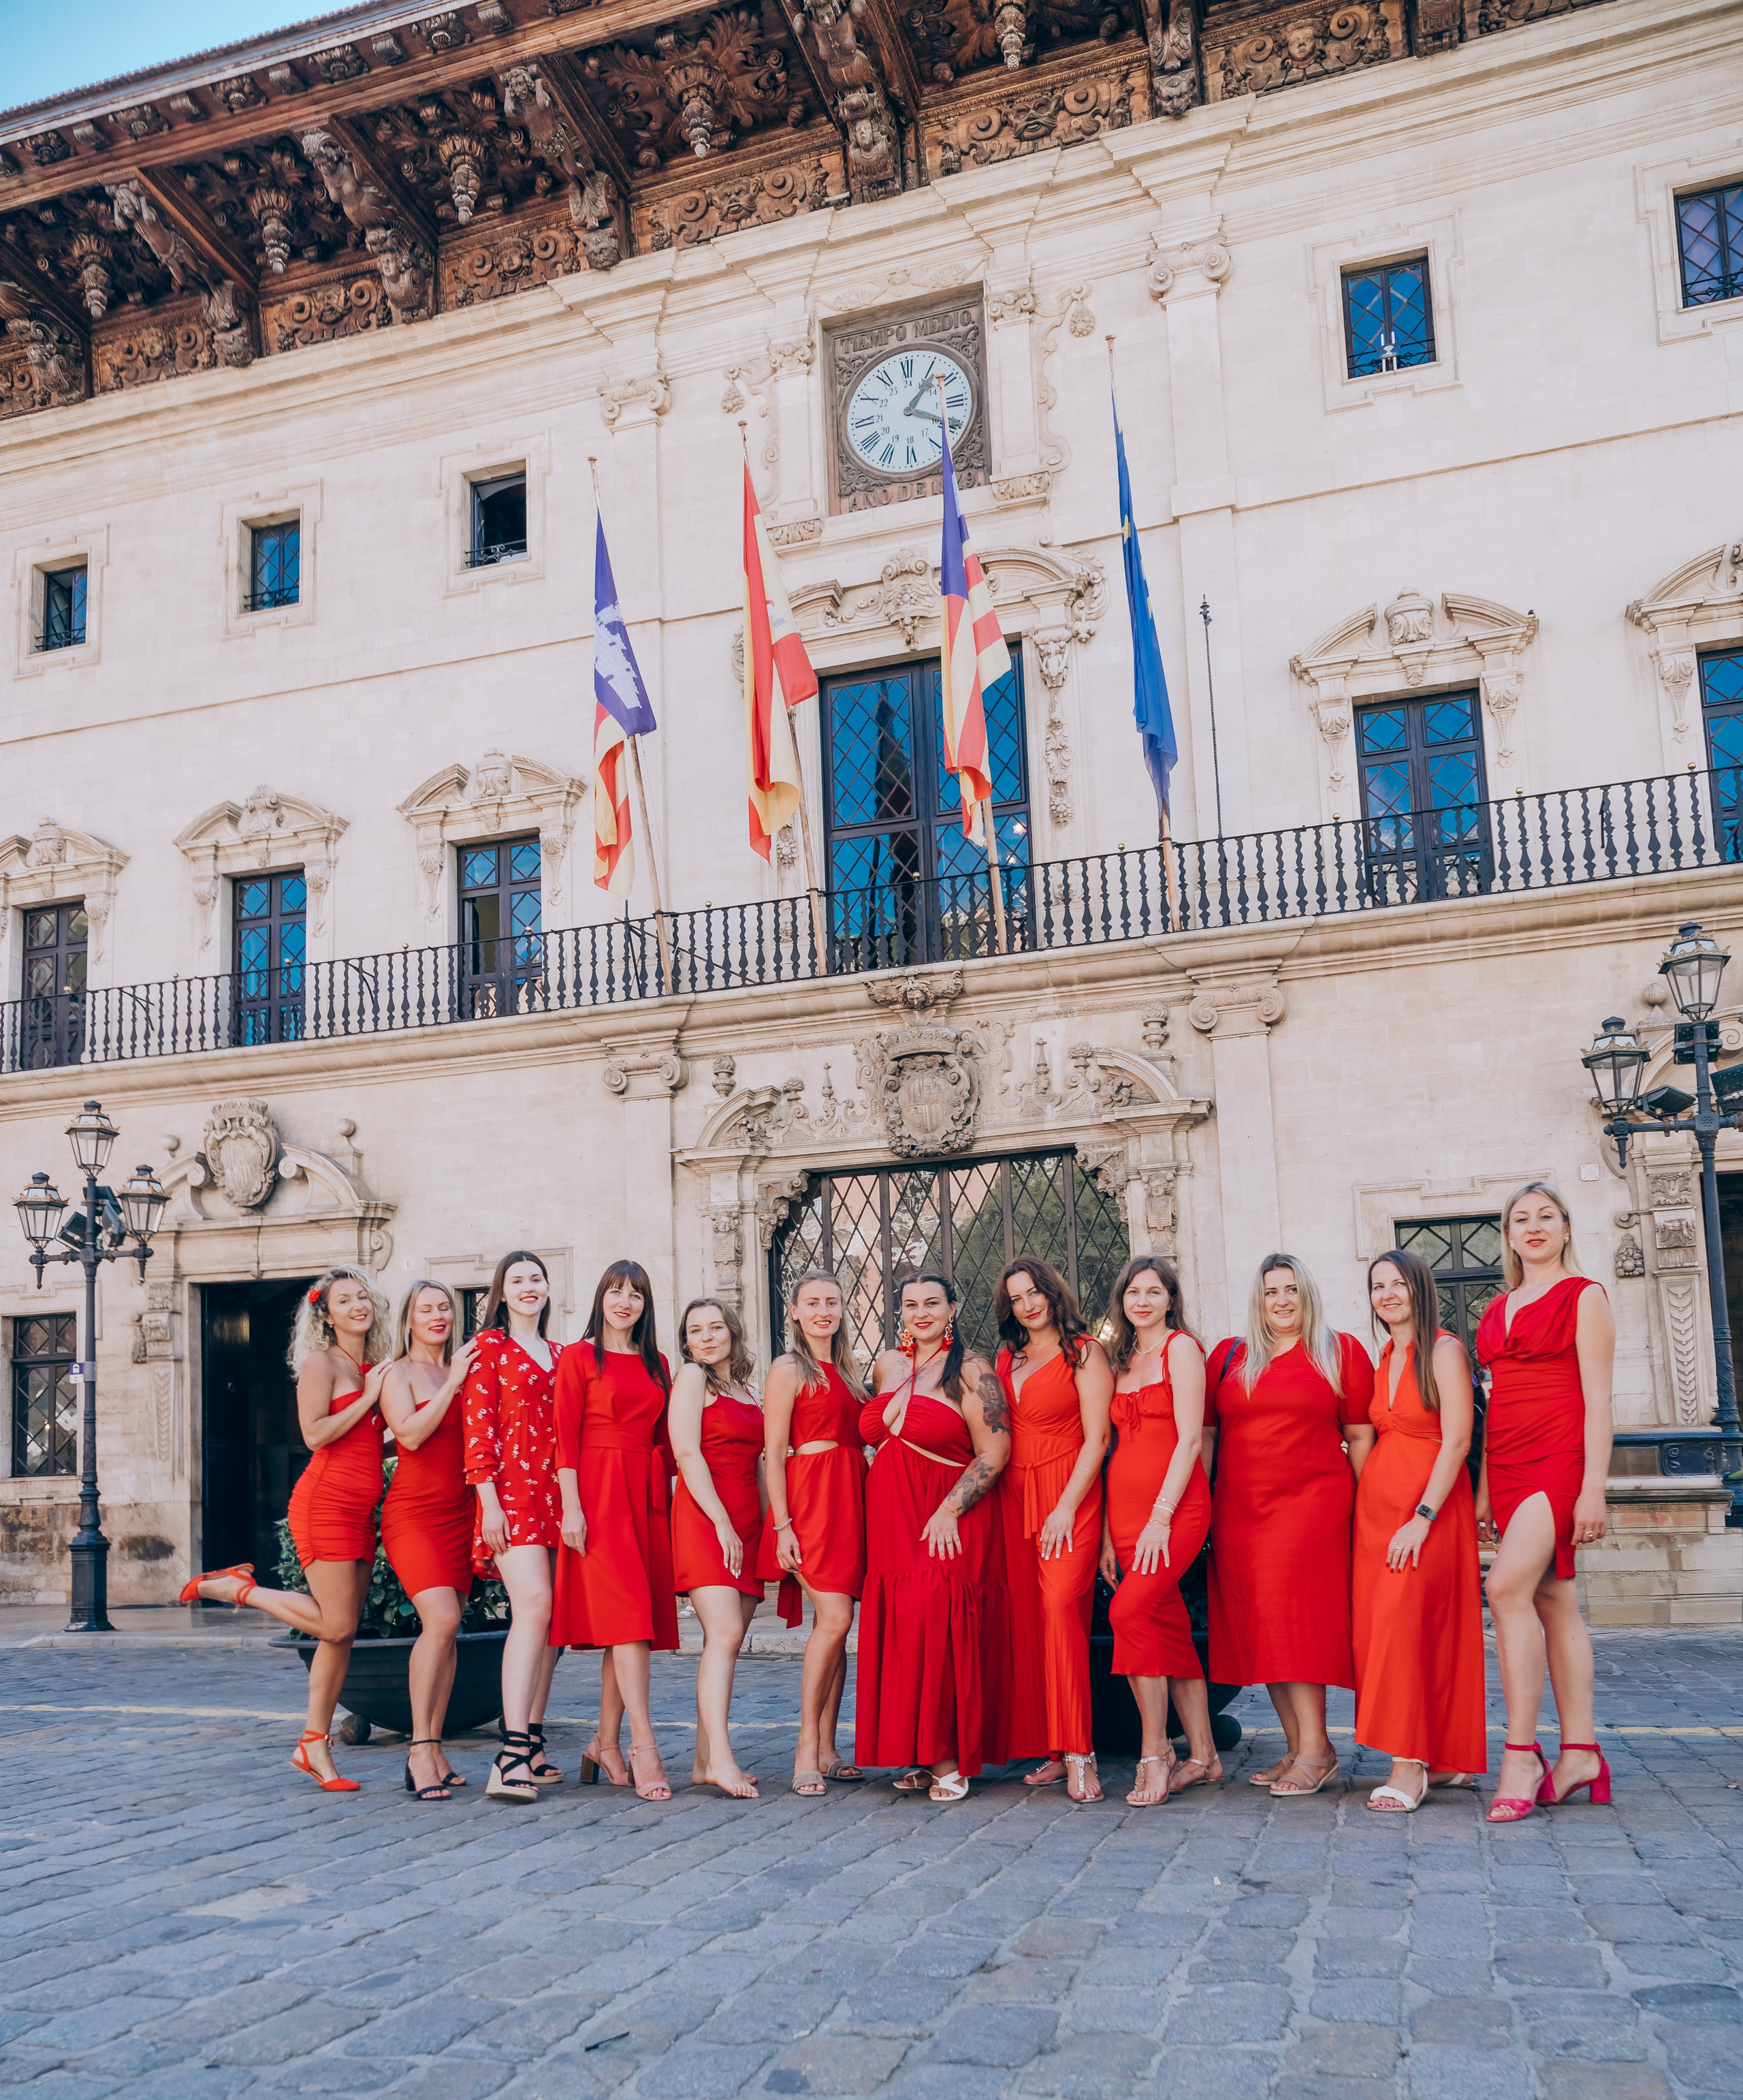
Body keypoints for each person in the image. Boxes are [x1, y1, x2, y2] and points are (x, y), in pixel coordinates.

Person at [180, 1265, 391, 1792]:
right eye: (345, 1300)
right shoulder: (323, 1364)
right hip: (326, 1503)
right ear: (326, 1313)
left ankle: (313, 1744)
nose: (359, 1306)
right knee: (337, 1626)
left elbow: (372, 1442)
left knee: (339, 1639)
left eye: (363, 1297)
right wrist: (369, 1399)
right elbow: (316, 1434)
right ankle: (237, 1588)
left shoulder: (370, 1366)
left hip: (362, 1509)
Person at [1207, 1253, 1375, 1798]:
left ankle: (1317, 1749)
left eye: (1291, 1290)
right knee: (1267, 1628)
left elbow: (1362, 1436)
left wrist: (1372, 1510)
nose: (1281, 1301)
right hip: (1240, 1511)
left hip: (1309, 1508)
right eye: (1271, 1292)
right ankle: (1299, 1744)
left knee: (1297, 1625)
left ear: (1307, 1295)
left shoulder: (1340, 1351)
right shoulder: (1231, 1356)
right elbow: (1207, 1436)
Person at [1476, 1183, 1616, 1824]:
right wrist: (1483, 1485)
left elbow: (1600, 1399)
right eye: (1521, 1219)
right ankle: (1581, 1751)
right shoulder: (1496, 1309)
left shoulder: (1585, 1297)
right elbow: (1494, 1403)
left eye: (1546, 1217)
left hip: (1560, 1460)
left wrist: (1593, 1487)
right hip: (1506, 1463)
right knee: (1553, 1598)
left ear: (1565, 1228)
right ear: (1508, 1235)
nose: (1533, 1227)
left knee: (1505, 1589)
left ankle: (1522, 1752)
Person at [855, 1271, 1010, 1802]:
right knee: (905, 1629)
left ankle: (951, 1756)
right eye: (911, 1304)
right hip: (891, 1522)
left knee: (938, 1625)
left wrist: (949, 1509)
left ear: (952, 1307)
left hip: (945, 1518)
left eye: (933, 1303)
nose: (921, 1313)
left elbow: (995, 1452)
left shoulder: (971, 1370)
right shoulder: (888, 1366)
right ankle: (922, 1753)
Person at [1351, 1250, 1486, 1813]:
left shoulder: (1445, 1349)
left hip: (1425, 1513)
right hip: (1378, 1516)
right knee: (1390, 1630)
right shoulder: (1385, 1355)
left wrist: (1423, 1517)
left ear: (1420, 1288)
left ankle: (1409, 1765)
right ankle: (1445, 1755)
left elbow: (1457, 1439)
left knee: (1407, 1628)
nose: (1387, 1295)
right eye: (1377, 1286)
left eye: (1397, 1284)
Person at [552, 1260, 679, 1802]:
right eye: (616, 1291)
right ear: (600, 1297)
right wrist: (572, 1508)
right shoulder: (579, 1358)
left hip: (645, 1496)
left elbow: (668, 1443)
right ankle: (643, 1746)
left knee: (631, 1628)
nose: (626, 1301)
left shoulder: (659, 1364)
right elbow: (564, 1437)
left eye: (636, 1295)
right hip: (598, 1495)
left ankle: (603, 1743)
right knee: (628, 1621)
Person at [1098, 1255, 1217, 1807]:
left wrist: (1161, 1517)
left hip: (1173, 1511)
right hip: (1123, 1515)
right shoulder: (1120, 1359)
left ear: (1171, 1298)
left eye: (1153, 1292)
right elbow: (1111, 1448)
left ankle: (1156, 1751)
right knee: (1165, 1625)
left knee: (1127, 1613)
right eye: (1132, 1293)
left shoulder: (1182, 1349)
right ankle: (1206, 1755)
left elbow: (1191, 1440)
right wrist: (1104, 1533)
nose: (1142, 1301)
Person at [993, 1257, 1114, 1803]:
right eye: (1017, 1297)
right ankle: (1051, 1749)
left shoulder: (1085, 1352)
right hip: (1013, 1496)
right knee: (1029, 1624)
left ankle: (1081, 1753)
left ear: (1053, 1292)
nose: (1029, 1303)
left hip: (1069, 1494)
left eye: (1035, 1292)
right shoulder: (1006, 1358)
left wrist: (1067, 1506)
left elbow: (1099, 1439)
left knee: (1062, 1613)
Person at [759, 1268, 868, 1796]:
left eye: (833, 1301)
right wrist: (782, 1524)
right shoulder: (788, 1368)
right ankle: (806, 1746)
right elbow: (773, 1452)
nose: (824, 1310)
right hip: (810, 1502)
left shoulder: (848, 1371)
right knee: (835, 1616)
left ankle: (828, 1747)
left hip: (851, 1500)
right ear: (796, 1313)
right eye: (813, 1302)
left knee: (840, 1626)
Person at [464, 1250, 566, 1804]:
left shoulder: (561, 1353)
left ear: (549, 1289)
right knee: (533, 1607)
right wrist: (490, 1504)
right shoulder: (489, 1349)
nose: (529, 1287)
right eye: (518, 1280)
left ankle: (533, 1741)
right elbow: (477, 1431)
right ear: (501, 1294)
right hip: (510, 1495)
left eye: (537, 1278)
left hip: (558, 1497)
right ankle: (509, 1755)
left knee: (553, 1620)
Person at [379, 1281, 479, 1803]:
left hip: (462, 1514)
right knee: (439, 1620)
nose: (438, 1316)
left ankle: (436, 1746)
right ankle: (419, 1750)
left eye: (445, 1307)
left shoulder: (462, 1371)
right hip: (415, 1514)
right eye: (426, 1309)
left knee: (451, 1629)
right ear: (409, 1319)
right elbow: (411, 1435)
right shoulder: (397, 1373)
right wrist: (453, 1384)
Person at [669, 1296, 766, 1800]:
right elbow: (686, 1452)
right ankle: (723, 1760)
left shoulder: (748, 1390)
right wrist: (723, 1524)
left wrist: (769, 1529)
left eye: (715, 1327)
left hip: (748, 1524)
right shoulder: (692, 1379)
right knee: (725, 1633)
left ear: (732, 1330)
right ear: (686, 1340)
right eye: (695, 1330)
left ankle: (705, 1760)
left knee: (726, 1642)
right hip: (708, 1519)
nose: (706, 1337)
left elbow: (761, 1465)